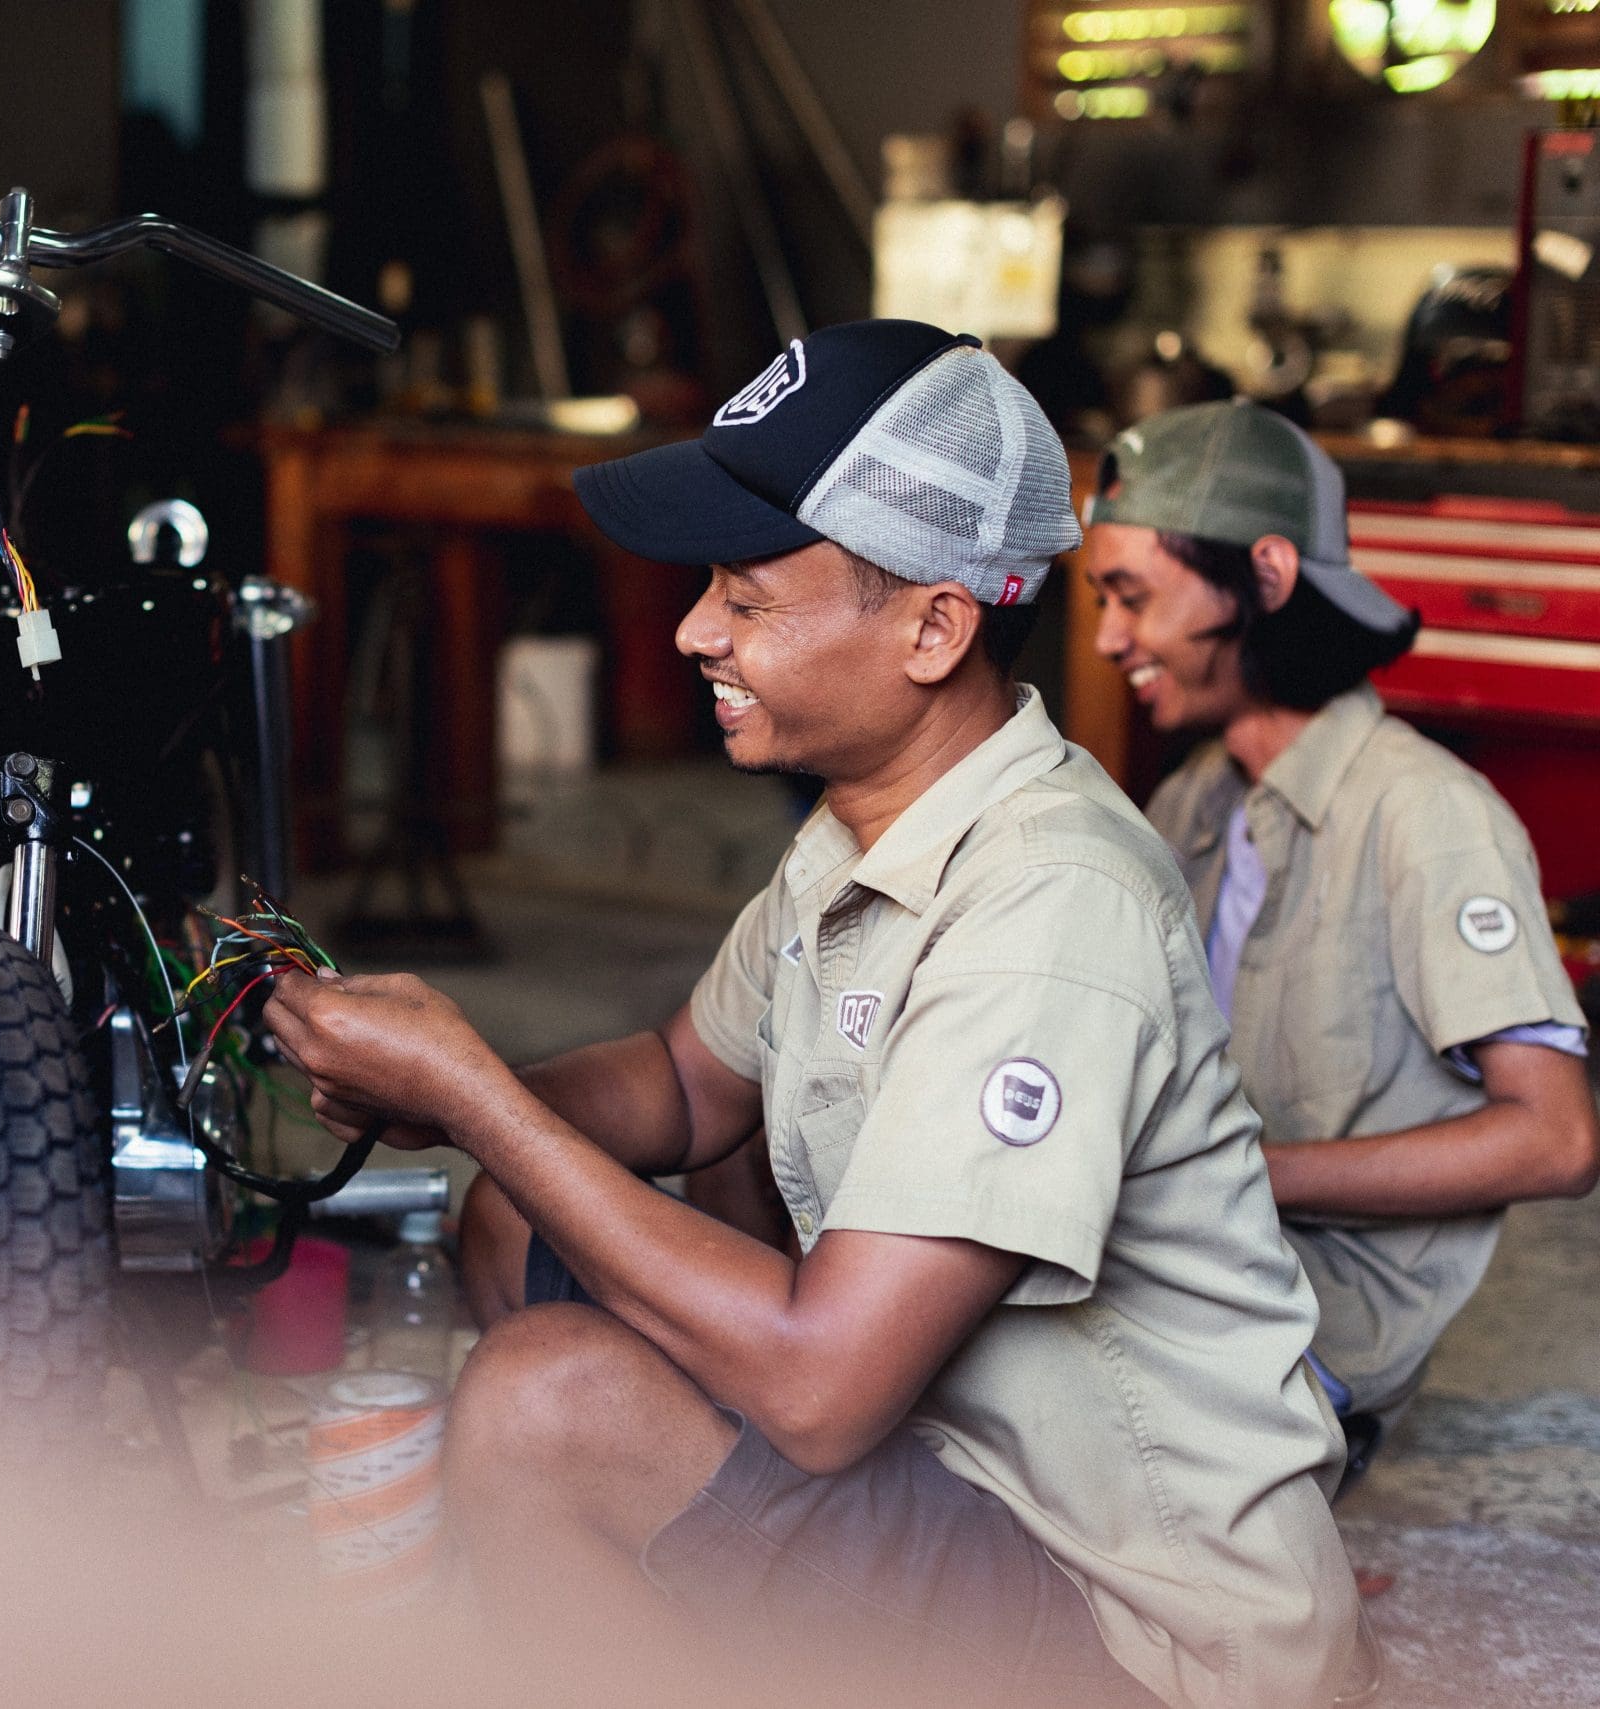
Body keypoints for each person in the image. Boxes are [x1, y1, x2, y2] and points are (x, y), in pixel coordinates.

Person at [266, 321, 1364, 1708]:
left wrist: (479, 1095)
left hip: (1140, 1627)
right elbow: (683, 1075)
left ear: (933, 624)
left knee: (548, 1399)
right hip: (962, 1484)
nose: (693, 629)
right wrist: (437, 1093)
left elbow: (822, 1385)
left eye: (749, 594)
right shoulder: (866, 825)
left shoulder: (1052, 903)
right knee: (516, 1210)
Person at [1085, 399, 1599, 1470]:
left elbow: (1555, 1140)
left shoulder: (1424, 814)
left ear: (1265, 577)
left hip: (1309, 1334)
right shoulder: (1194, 800)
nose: (1106, 638)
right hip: (1188, 1267)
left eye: (1131, 595)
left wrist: (1237, 1173)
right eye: (1099, 598)